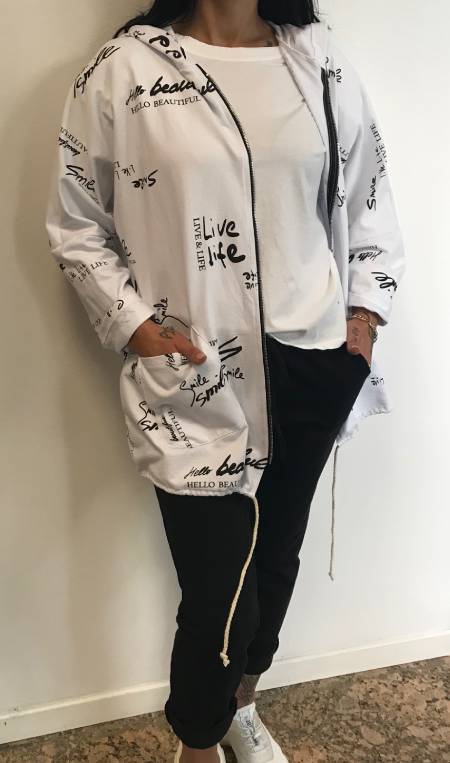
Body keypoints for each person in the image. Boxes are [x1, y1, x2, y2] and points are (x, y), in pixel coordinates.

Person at [45, 1, 406, 761]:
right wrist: (136, 326)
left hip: (313, 363)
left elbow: (369, 191)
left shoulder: (319, 59)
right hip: (196, 375)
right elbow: (77, 224)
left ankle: (241, 703)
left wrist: (363, 320)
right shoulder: (124, 70)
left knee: (275, 564)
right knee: (216, 590)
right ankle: (199, 738)